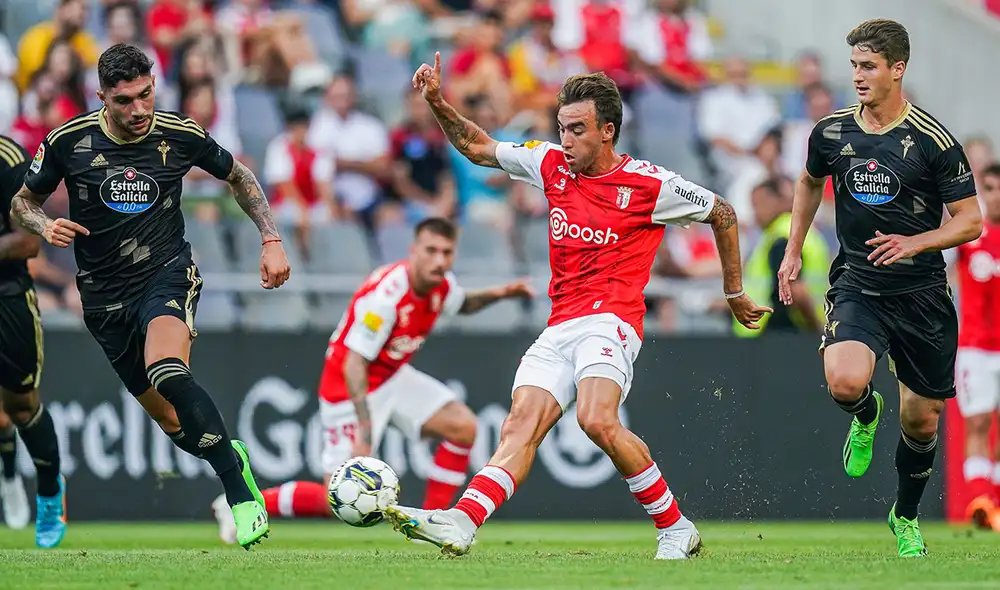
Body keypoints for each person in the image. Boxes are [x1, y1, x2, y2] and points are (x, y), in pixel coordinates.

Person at [384, 53, 770, 560]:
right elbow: (476, 146)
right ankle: (462, 521)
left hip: (611, 322)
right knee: (519, 425)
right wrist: (437, 100)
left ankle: (675, 527)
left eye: (577, 130)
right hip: (560, 325)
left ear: (607, 131)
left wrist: (734, 291)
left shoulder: (651, 185)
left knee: (595, 417)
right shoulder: (547, 163)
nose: (565, 140)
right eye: (561, 128)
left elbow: (722, 212)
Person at [8, 44, 291, 550]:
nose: (139, 110)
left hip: (166, 274)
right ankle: (230, 452)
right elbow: (22, 203)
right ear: (102, 98)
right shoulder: (67, 141)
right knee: (171, 419)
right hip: (102, 297)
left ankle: (239, 491)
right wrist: (45, 224)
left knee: (167, 368)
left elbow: (240, 177)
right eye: (125, 101)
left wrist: (270, 238)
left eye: (146, 95)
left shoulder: (179, 134)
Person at [778, 19, 983, 557]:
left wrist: (915, 243)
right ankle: (866, 414)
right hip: (859, 284)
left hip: (921, 293)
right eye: (854, 66)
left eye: (869, 67)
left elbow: (970, 221)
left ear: (898, 69)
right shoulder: (830, 132)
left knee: (922, 418)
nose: (859, 77)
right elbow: (808, 181)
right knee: (845, 382)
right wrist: (794, 247)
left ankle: (905, 515)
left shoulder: (935, 141)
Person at [212, 217, 534, 542]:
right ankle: (240, 503)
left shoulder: (441, 285)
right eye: (431, 250)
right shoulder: (386, 297)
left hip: (391, 376)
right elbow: (354, 362)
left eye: (446, 252)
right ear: (414, 251)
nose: (439, 260)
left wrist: (503, 292)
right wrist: (364, 431)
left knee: (463, 427)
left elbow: (463, 303)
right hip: (349, 385)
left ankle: (434, 522)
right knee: (336, 498)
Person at [0, 134, 64, 545]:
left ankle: (48, 490)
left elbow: (27, 241)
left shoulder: (9, 159)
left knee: (21, 407)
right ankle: (8, 482)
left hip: (6, 295)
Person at [955, 162, 1000, 531]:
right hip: (975, 347)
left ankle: (993, 502)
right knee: (979, 421)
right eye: (990, 188)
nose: (996, 195)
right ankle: (981, 500)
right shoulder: (971, 235)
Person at [733, 177, 828, 337]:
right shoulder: (803, 232)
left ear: (778, 200)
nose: (755, 213)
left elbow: (796, 291)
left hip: (781, 331)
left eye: (758, 204)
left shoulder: (781, 237)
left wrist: (816, 329)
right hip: (799, 328)